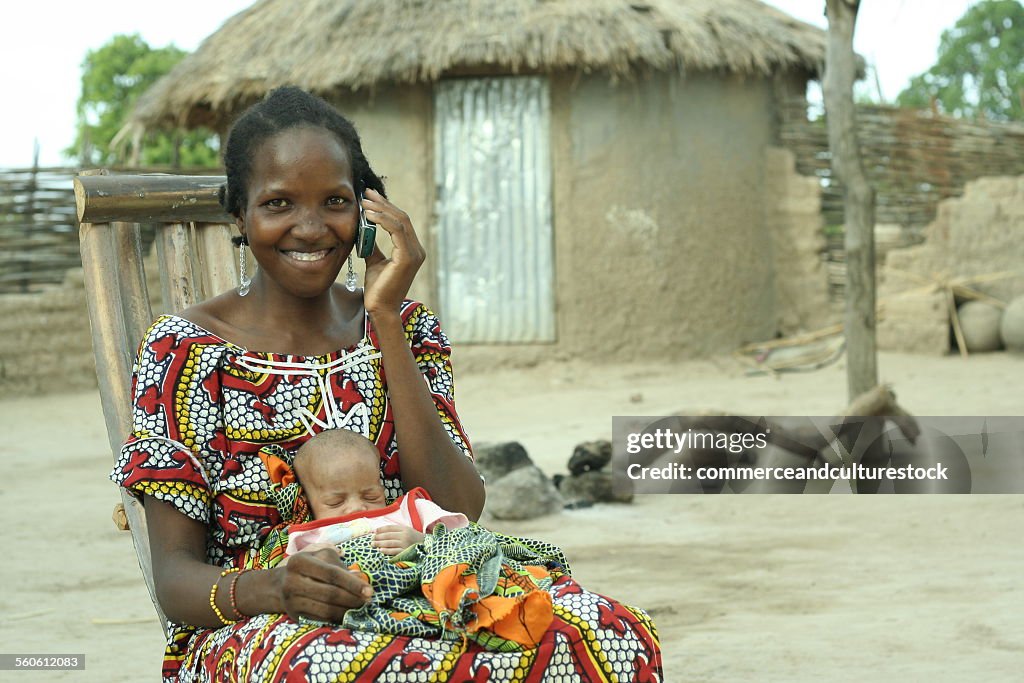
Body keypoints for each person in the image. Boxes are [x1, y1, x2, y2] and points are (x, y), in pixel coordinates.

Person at [112, 86, 662, 682]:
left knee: (609, 634)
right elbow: (174, 576)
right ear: (239, 216)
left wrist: (386, 320)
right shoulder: (187, 353)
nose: (311, 227)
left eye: (334, 201)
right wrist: (273, 589)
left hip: (424, 586)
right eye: (277, 204)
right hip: (269, 623)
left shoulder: (403, 326)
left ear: (368, 214)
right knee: (373, 669)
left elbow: (459, 509)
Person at [263, 428, 559, 653]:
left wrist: (418, 540)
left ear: (381, 484)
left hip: (424, 591)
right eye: (335, 501)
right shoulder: (307, 535)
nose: (356, 508)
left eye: (370, 495)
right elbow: (289, 575)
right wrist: (312, 557)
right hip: (359, 601)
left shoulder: (407, 510)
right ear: (310, 500)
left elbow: (459, 536)